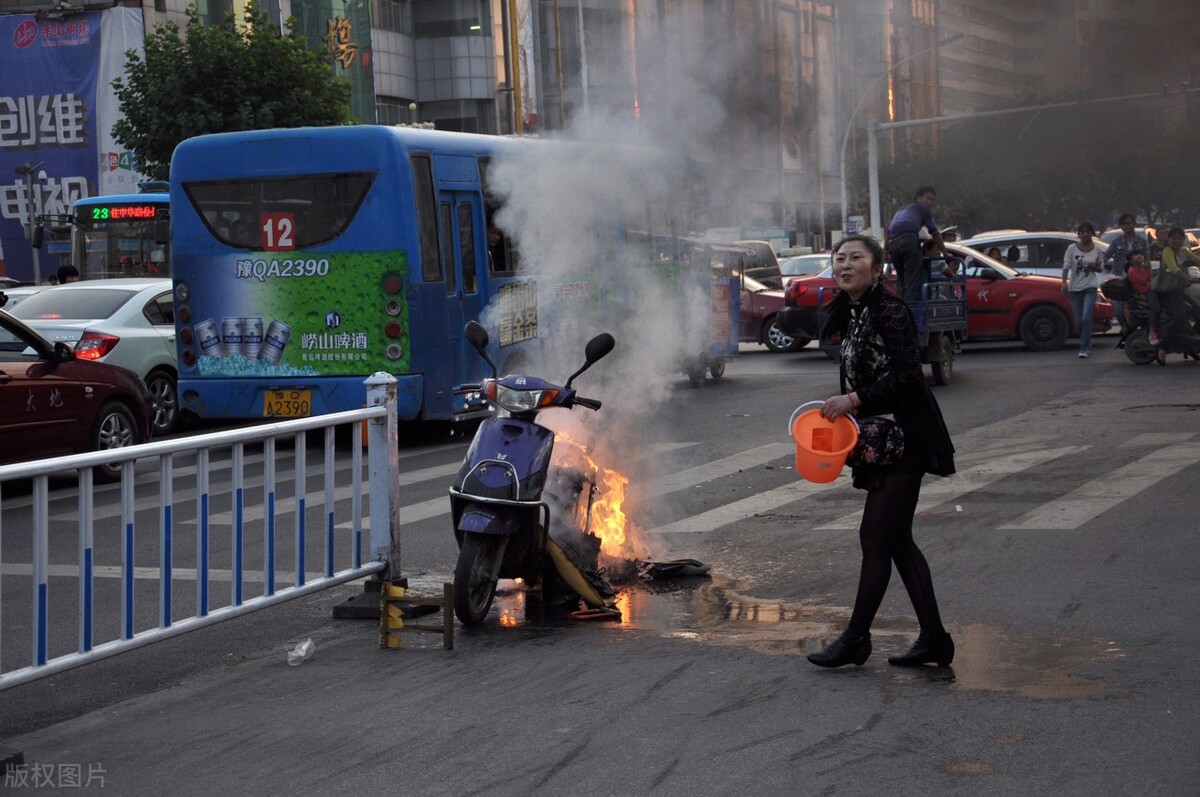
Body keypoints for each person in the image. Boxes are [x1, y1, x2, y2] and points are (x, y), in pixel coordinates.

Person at [806, 234, 956, 670]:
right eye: (840, 258)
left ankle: (856, 638)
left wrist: (852, 401)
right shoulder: (852, 311)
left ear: (877, 268)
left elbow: (909, 375)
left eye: (856, 257)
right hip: (880, 441)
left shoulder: (890, 310)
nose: (845, 264)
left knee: (876, 538)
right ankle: (935, 639)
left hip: (906, 437)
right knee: (897, 541)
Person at [886, 186, 947, 302]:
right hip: (908, 241)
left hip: (894, 244)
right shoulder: (923, 210)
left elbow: (888, 232)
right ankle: (912, 313)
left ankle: (901, 310)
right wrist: (945, 253)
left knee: (902, 280)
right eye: (927, 198)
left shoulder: (901, 209)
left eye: (932, 200)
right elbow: (935, 233)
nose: (929, 202)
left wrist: (885, 254)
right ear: (918, 197)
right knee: (913, 281)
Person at [1150, 226, 1200, 363]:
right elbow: (1173, 268)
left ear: (1183, 239)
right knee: (1180, 318)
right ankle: (1163, 348)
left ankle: (1191, 344)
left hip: (1181, 292)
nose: (1177, 241)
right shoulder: (1167, 251)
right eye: (1174, 238)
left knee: (1197, 313)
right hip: (1168, 293)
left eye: (1179, 238)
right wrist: (1187, 277)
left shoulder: (1184, 252)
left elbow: (1197, 260)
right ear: (1169, 239)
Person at [1061, 222, 1104, 359]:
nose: (1085, 234)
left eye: (1088, 231)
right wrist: (1063, 283)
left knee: (1086, 317)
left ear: (1092, 233)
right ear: (1079, 234)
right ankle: (1087, 338)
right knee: (1079, 320)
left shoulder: (1097, 250)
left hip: (1090, 287)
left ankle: (1084, 347)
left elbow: (1101, 268)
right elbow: (1066, 266)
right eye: (1083, 232)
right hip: (1075, 288)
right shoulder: (1072, 249)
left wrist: (1094, 267)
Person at [1104, 214, 1149, 330]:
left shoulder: (1142, 241)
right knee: (1119, 309)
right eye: (1124, 224)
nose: (1126, 226)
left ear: (1134, 224)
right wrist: (1096, 265)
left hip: (1136, 279)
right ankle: (1124, 327)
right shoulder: (1116, 242)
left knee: (1137, 307)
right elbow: (1106, 256)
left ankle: (1136, 331)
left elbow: (1147, 260)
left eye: (1129, 223)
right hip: (1120, 278)